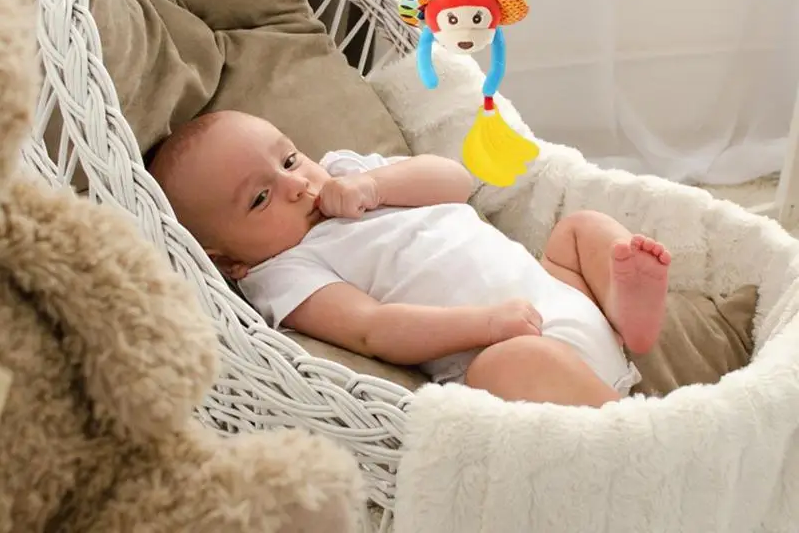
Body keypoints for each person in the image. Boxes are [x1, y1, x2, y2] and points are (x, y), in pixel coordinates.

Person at [149, 110, 672, 408]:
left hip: (559, 292)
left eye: (288, 159)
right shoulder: (284, 271)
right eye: (260, 198)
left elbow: (455, 182)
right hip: (514, 350)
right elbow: (372, 329)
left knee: (581, 229)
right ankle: (635, 431)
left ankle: (628, 315)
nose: (295, 185)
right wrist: (485, 325)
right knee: (504, 367)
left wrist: (373, 185)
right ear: (229, 262)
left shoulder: (347, 171)